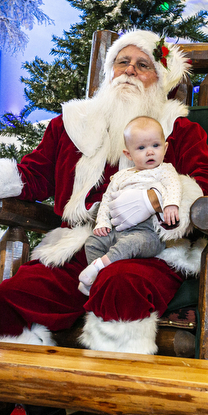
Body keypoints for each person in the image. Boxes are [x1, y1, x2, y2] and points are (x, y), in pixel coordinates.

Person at [0, 30, 208, 415]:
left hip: (149, 249)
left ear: (163, 78)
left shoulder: (178, 131)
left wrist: (167, 201)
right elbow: (33, 175)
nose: (130, 72)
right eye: (123, 62)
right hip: (80, 243)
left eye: (143, 65)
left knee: (121, 285)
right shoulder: (72, 125)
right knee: (14, 295)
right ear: (108, 70)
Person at [77, 115, 181, 295]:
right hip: (118, 229)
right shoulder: (120, 176)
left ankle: (97, 268)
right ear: (128, 154)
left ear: (165, 148)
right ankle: (96, 280)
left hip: (147, 233)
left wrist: (171, 204)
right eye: (141, 148)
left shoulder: (164, 170)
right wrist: (102, 223)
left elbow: (174, 186)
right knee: (92, 242)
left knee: (130, 244)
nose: (149, 152)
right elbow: (107, 201)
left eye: (155, 146)